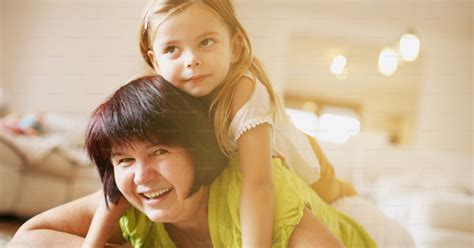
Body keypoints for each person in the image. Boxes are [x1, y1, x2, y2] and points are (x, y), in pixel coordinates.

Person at [9, 75, 376, 248]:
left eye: (160, 152)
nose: (142, 175)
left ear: (197, 152)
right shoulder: (128, 198)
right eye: (124, 159)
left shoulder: (251, 195)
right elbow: (27, 241)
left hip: (368, 231)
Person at [137, 1, 327, 246]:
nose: (191, 60)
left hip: (304, 154)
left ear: (235, 47)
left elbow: (258, 184)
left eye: (206, 42)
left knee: (340, 199)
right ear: (155, 62)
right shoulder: (162, 93)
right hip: (258, 143)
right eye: (172, 49)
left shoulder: (243, 88)